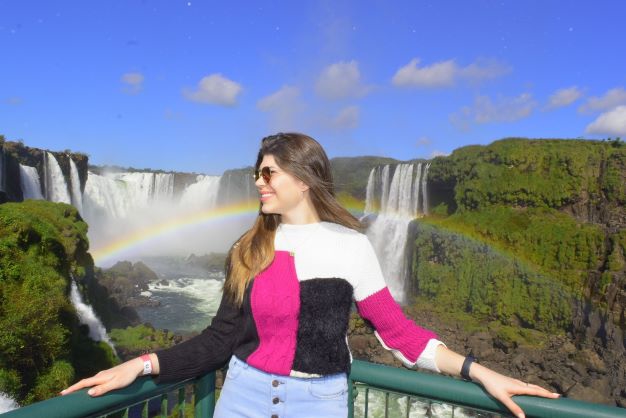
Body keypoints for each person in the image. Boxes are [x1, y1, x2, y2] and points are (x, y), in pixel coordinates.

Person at [60, 132, 561, 418]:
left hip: (317, 404)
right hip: (242, 397)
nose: (258, 182)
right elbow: (220, 339)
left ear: (303, 180)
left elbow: (399, 335)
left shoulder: (352, 246)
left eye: (268, 172)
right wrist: (142, 365)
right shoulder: (247, 248)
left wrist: (480, 371)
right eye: (257, 172)